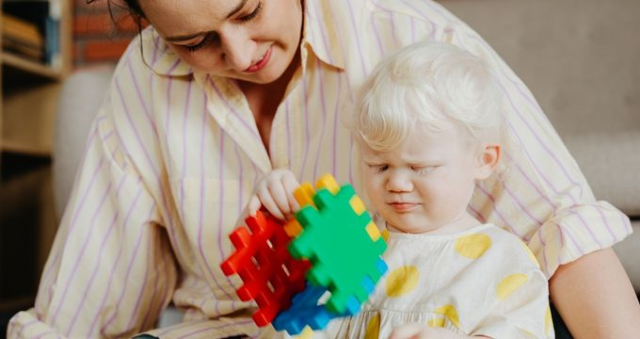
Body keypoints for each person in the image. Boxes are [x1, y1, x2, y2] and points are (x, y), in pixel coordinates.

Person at [6, 0, 639, 338]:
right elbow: (81, 310)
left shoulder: (414, 39)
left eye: (248, 10)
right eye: (192, 42)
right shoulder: (146, 78)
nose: (239, 55)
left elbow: (562, 228)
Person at [257, 41, 553, 338]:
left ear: (483, 160)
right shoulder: (351, 241)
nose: (397, 184)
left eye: (420, 168)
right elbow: (298, 322)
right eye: (379, 166)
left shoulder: (501, 261)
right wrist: (284, 223)